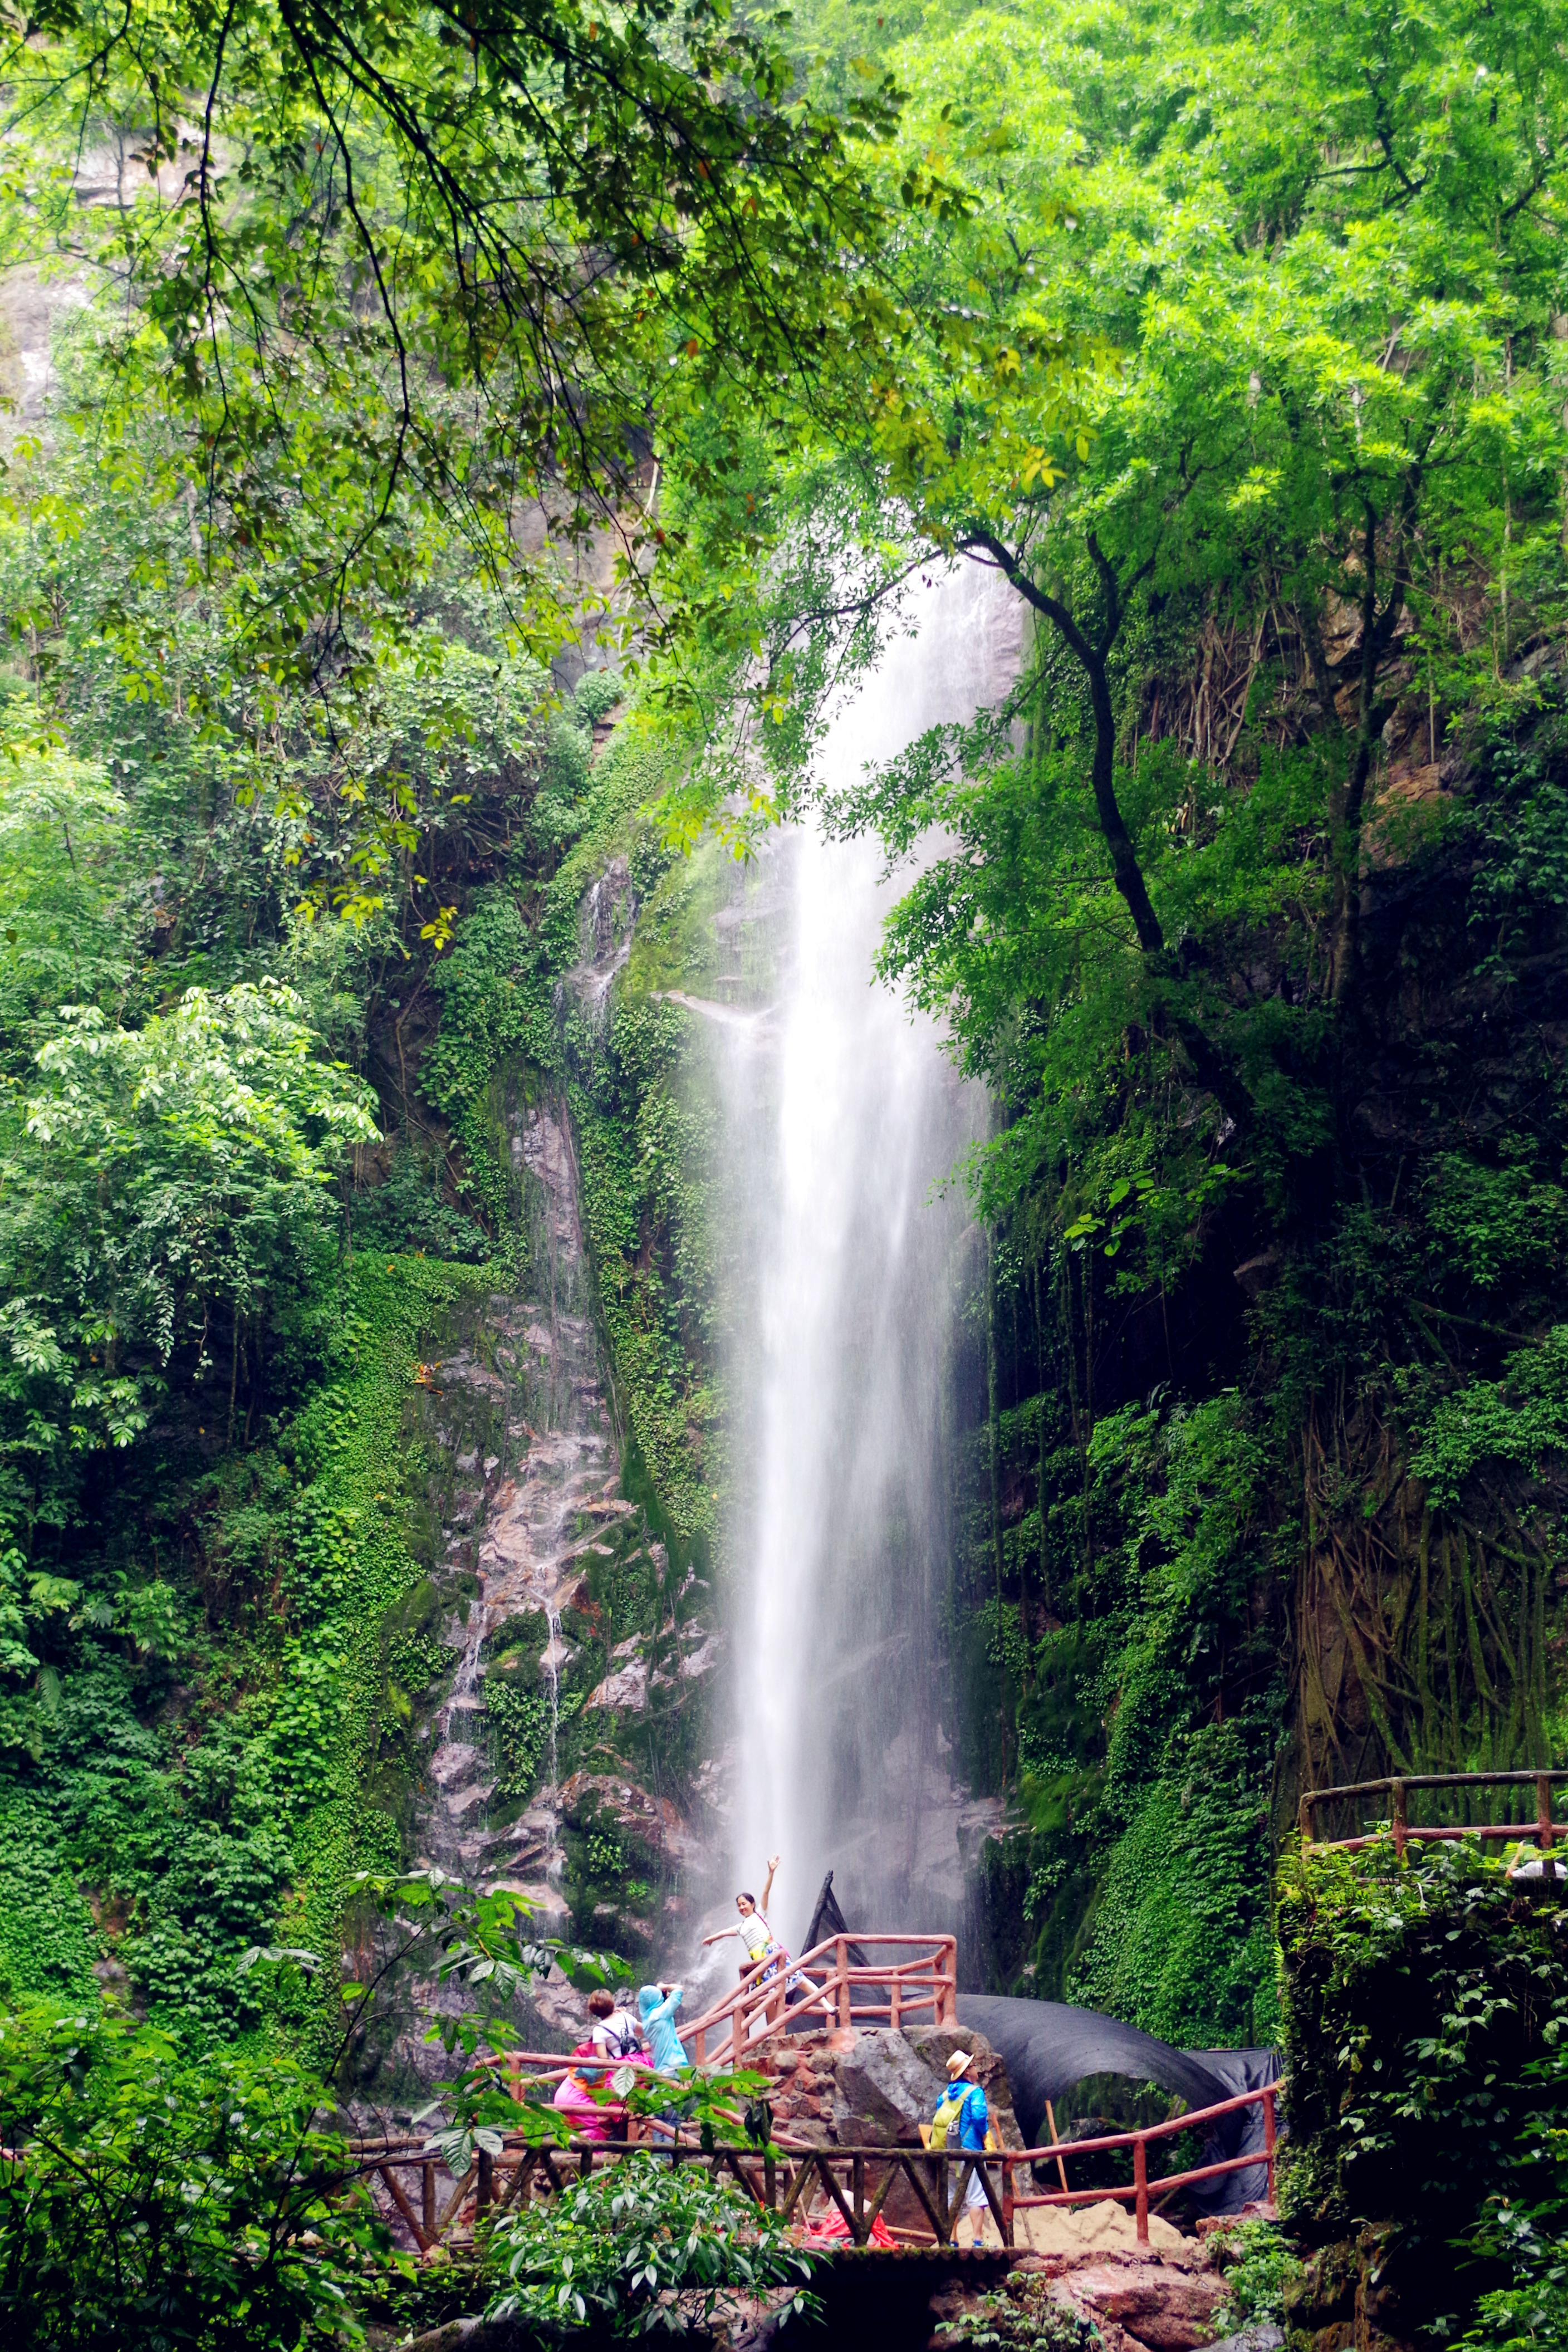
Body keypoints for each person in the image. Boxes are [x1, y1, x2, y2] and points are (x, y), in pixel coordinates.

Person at [930, 2050, 998, 2250]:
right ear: (967, 2072)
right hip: (970, 2151)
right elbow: (978, 2118)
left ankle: (952, 2240)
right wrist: (986, 2136)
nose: (977, 2069)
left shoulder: (944, 2096)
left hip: (948, 2152)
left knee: (952, 2194)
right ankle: (978, 2240)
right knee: (976, 2194)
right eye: (973, 2066)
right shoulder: (975, 2092)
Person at [638, 1980, 688, 2073]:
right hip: (674, 2064)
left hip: (660, 2068)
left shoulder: (646, 2021)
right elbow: (679, 1989)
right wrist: (665, 1986)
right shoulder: (662, 2014)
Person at [587, 1984, 646, 2060]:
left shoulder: (599, 2030)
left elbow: (603, 2058)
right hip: (639, 2061)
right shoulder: (625, 2016)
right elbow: (644, 2030)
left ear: (594, 2011)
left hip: (620, 2068)